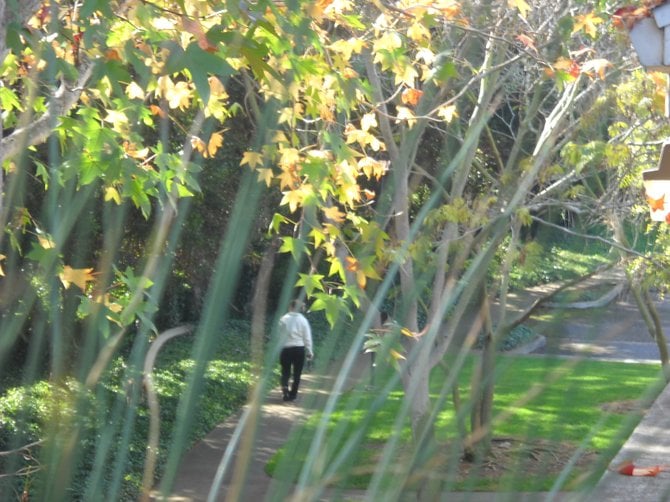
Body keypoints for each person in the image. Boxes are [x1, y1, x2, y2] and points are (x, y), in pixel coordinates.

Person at [278, 300, 314, 402]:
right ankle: (293, 395)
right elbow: (307, 337)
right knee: (297, 373)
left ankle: (285, 390)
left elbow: (279, 335)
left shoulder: (283, 319)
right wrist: (309, 351)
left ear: (291, 307)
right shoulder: (303, 320)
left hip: (286, 348)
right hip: (299, 349)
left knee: (285, 371)